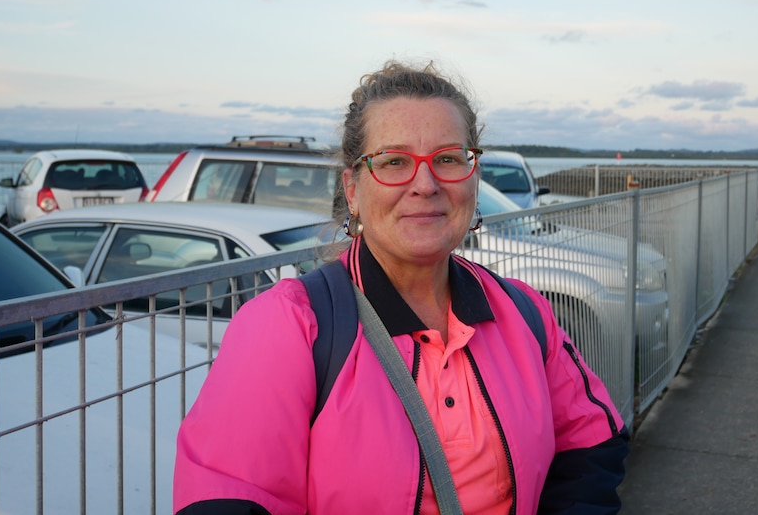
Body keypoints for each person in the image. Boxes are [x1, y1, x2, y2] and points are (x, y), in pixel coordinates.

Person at [173, 60, 630, 514]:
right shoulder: (291, 326)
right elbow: (228, 498)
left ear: (473, 176)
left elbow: (591, 448)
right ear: (353, 188)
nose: (426, 184)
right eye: (394, 162)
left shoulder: (524, 314)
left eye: (448, 159)